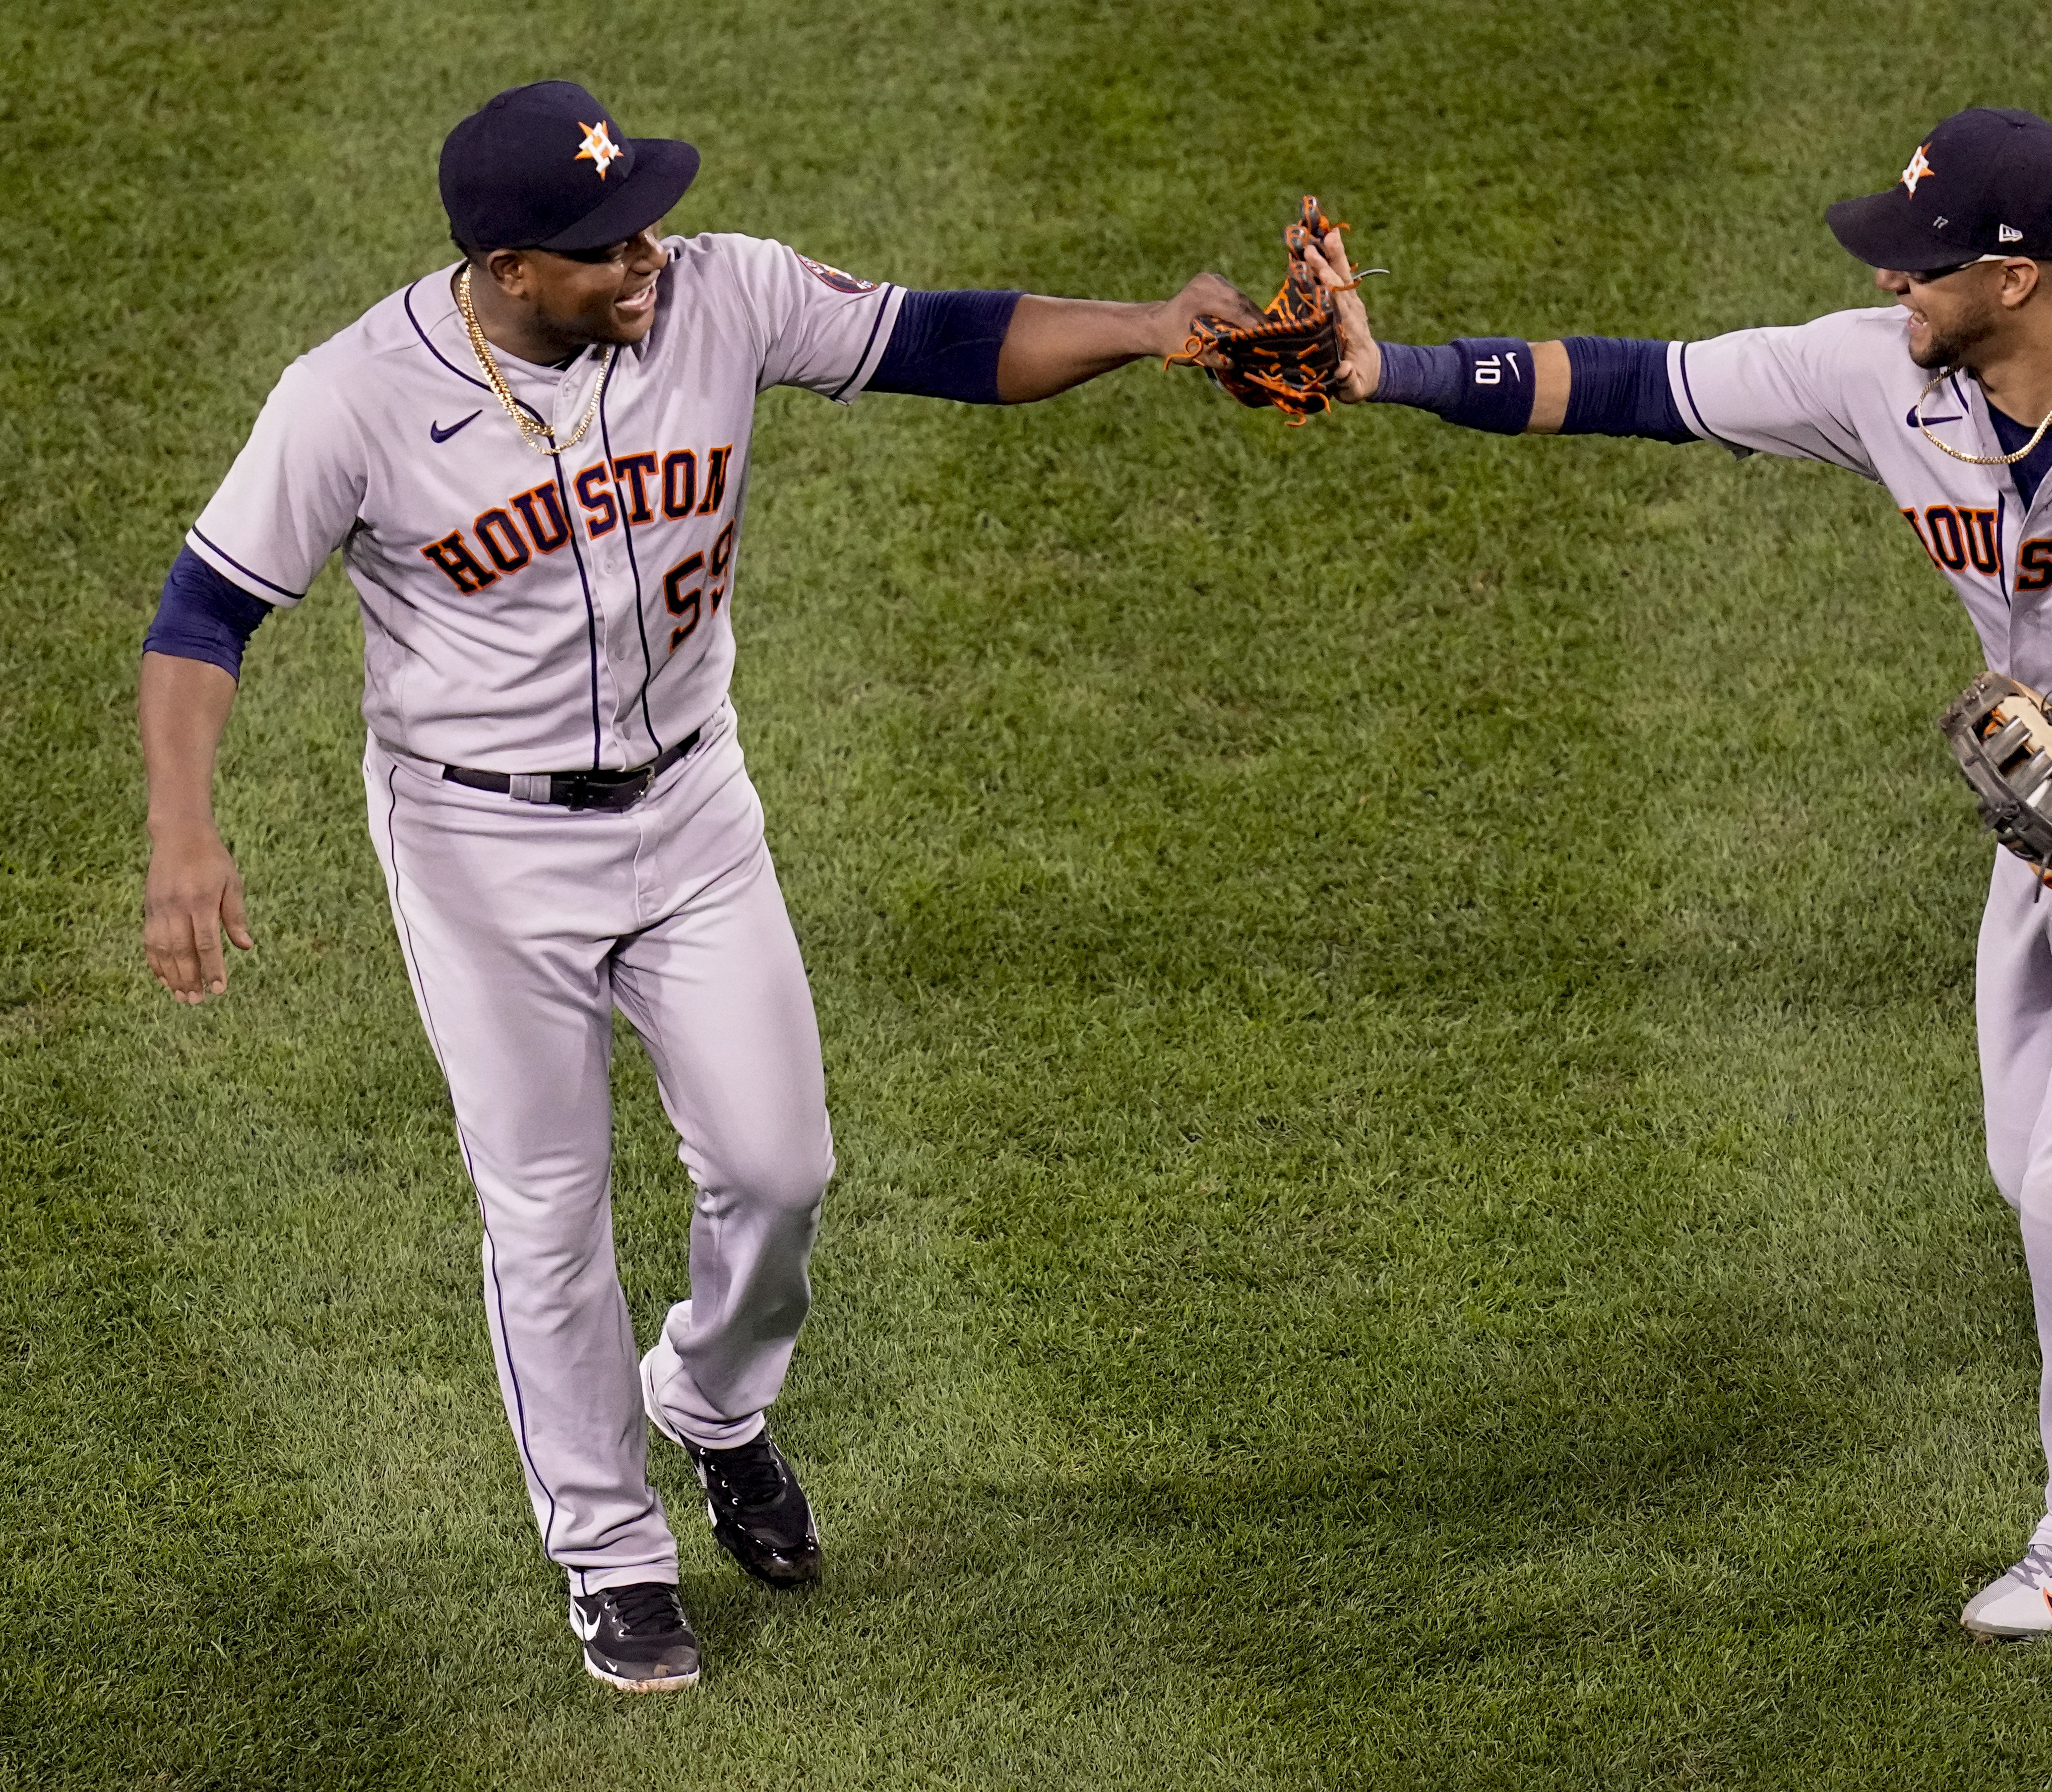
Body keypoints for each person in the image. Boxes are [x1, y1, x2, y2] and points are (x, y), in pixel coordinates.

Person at [1290, 107, 2052, 1637]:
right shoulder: (1888, 374)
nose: (1888, 285)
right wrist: (1385, 371)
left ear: (2013, 277)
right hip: (2051, 802)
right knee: (2043, 1162)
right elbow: (1637, 384)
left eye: (1919, 266)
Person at [138, 79, 1261, 1691]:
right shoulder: (351, 401)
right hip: (480, 849)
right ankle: (610, 1552)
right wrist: (187, 831)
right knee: (546, 1212)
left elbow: (944, 341)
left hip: (693, 810)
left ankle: (713, 1402)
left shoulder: (721, 292)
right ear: (513, 265)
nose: (647, 254)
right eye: (606, 245)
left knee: (781, 1166)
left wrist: (1154, 327)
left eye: (647, 214)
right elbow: (202, 615)